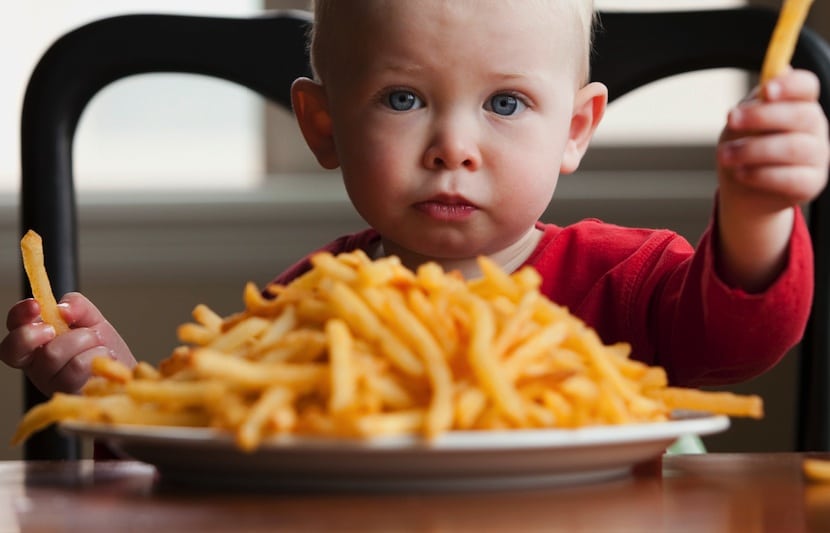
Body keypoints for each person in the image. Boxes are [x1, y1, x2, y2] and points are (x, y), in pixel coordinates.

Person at [2, 0, 828, 397]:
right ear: (324, 126)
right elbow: (209, 440)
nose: (453, 146)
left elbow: (743, 335)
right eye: (403, 99)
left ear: (576, 129)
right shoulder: (304, 310)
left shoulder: (630, 281)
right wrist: (116, 384)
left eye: (505, 103)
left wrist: (756, 210)